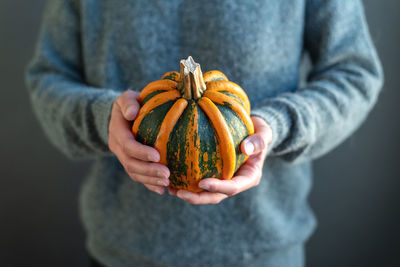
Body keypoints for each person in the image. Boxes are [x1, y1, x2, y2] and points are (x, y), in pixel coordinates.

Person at [26, 0, 383, 266]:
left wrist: (277, 125)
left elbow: (354, 73)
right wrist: (104, 119)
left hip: (261, 252)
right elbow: (48, 77)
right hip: (123, 253)